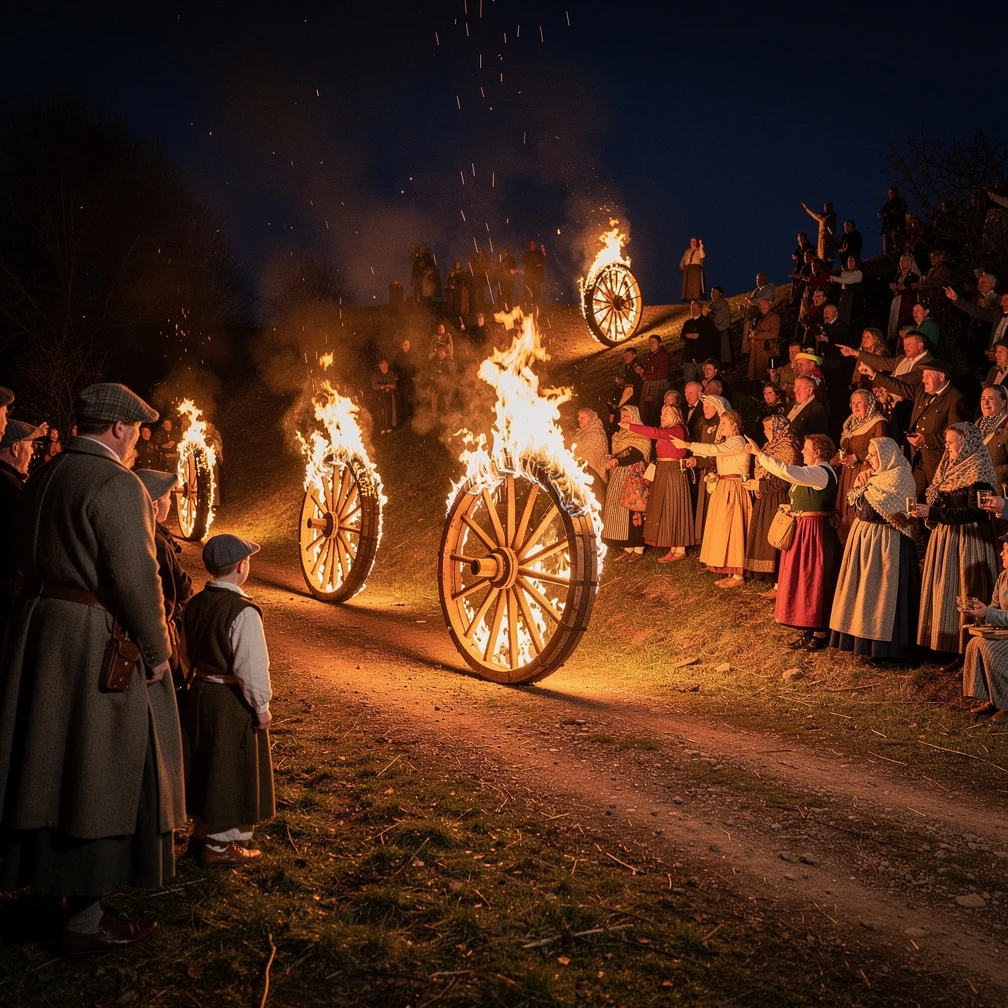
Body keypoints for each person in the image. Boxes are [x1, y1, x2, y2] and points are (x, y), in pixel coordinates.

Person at [0, 383, 183, 952]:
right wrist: (157, 652)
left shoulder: (49, 473)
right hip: (89, 640)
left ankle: (46, 888)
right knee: (92, 768)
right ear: (120, 429)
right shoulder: (117, 484)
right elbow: (135, 577)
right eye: (135, 435)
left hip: (40, 629)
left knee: (46, 763)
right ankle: (84, 916)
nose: (136, 448)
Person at [182, 533, 274, 866]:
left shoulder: (193, 603)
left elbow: (184, 649)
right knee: (228, 771)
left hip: (201, 694)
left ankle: (201, 834)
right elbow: (250, 666)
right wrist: (260, 706)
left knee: (205, 766)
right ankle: (219, 848)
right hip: (230, 701)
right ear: (241, 566)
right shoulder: (243, 611)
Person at [910, 423, 999, 671]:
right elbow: (940, 499)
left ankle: (970, 650)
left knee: (967, 587)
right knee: (948, 589)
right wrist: (931, 509)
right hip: (947, 537)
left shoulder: (977, 469)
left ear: (965, 442)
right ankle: (953, 649)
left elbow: (975, 511)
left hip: (969, 539)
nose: (946, 446)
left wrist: (935, 512)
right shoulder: (948, 468)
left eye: (950, 442)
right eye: (946, 442)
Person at [829, 437, 920, 661]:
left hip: (887, 545)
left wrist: (862, 488)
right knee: (862, 591)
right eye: (868, 454)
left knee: (882, 595)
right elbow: (858, 506)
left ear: (886, 455)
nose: (868, 459)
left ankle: (886, 649)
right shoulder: (876, 477)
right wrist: (862, 488)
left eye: (872, 454)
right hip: (866, 540)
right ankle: (861, 642)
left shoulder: (899, 477)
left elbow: (868, 510)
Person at [747, 432, 840, 650]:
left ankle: (820, 633)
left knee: (814, 577)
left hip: (815, 532)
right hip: (803, 529)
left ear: (817, 452)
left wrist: (760, 454)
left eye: (806, 448)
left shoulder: (820, 472)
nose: (802, 452)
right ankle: (807, 627)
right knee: (802, 578)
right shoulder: (813, 472)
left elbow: (788, 471)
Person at [672, 409, 750, 587]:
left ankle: (738, 576)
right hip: (724, 486)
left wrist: (688, 445)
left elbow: (714, 449)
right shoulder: (728, 442)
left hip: (734, 488)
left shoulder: (737, 441)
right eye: (720, 423)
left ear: (734, 425)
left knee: (734, 528)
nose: (721, 427)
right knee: (723, 528)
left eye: (724, 424)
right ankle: (730, 570)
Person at [871, 358, 967, 498]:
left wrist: (926, 440)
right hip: (917, 459)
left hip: (936, 463)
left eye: (927, 376)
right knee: (912, 500)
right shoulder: (922, 390)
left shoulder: (955, 399)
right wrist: (874, 374)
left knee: (935, 501)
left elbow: (956, 436)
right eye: (923, 377)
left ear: (941, 376)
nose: (923, 380)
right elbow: (898, 386)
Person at [136, 470, 193, 699]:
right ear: (156, 503)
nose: (171, 502)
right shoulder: (157, 542)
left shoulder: (143, 531)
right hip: (159, 630)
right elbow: (173, 592)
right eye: (169, 497)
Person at [624, 404, 695, 561]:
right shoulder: (668, 430)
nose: (662, 416)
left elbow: (654, 432)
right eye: (662, 413)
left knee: (675, 506)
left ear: (676, 416)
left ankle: (680, 549)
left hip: (673, 471)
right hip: (663, 469)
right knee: (666, 507)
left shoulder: (678, 430)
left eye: (667, 413)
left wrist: (630, 426)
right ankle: (673, 547)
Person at [743, 414, 799, 597]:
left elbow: (783, 481)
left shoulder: (787, 447)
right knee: (766, 537)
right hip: (767, 497)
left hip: (778, 498)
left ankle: (780, 584)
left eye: (768, 428)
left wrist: (759, 485)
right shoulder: (770, 446)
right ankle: (774, 583)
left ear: (777, 429)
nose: (765, 432)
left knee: (777, 537)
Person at [0, 420, 42, 637]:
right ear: (16, 448)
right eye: (30, 446)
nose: (33, 453)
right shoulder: (11, 489)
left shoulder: (11, 482)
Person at [961, 535, 1008, 722]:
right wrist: (980, 614)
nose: (1001, 553)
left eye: (1006, 550)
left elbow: (993, 612)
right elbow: (995, 607)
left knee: (992, 649)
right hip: (1004, 631)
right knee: (975, 643)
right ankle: (993, 698)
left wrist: (988, 613)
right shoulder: (1003, 576)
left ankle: (1006, 704)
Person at [834, 390, 889, 542]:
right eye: (853, 403)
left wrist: (856, 457)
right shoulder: (850, 424)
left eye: (860, 402)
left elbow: (882, 450)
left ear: (869, 404)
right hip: (848, 474)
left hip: (865, 472)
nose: (855, 406)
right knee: (846, 513)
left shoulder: (878, 422)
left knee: (858, 512)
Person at [601, 405, 650, 559]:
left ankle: (638, 547)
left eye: (628, 416)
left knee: (633, 508)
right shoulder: (620, 434)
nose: (625, 420)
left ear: (634, 417)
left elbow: (636, 455)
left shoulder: (640, 433)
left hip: (633, 475)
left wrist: (617, 460)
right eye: (623, 417)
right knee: (618, 508)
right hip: (618, 474)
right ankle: (628, 547)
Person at [686, 394, 727, 542]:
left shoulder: (721, 425)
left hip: (716, 471)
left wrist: (700, 461)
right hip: (704, 469)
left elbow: (715, 451)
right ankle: (704, 540)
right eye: (703, 406)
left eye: (708, 406)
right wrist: (694, 458)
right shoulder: (702, 422)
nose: (705, 409)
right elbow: (699, 444)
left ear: (716, 407)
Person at [635, 335, 671, 426]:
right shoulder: (650, 354)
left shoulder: (663, 355)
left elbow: (662, 373)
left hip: (658, 385)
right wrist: (641, 370)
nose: (651, 345)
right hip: (649, 384)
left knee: (655, 409)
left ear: (660, 343)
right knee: (646, 408)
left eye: (653, 342)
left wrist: (645, 373)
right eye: (649, 342)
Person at [977, 385, 1008, 491]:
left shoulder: (1006, 426)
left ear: (1003, 403)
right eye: (983, 399)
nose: (985, 403)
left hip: (1000, 489)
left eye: (991, 399)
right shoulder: (977, 425)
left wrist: (992, 471)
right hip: (978, 486)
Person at [680, 301, 719, 383]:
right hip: (689, 357)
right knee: (690, 382)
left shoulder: (707, 322)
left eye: (695, 308)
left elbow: (711, 336)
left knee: (704, 380)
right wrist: (688, 335)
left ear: (700, 309)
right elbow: (682, 336)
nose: (693, 310)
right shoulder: (688, 323)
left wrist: (699, 336)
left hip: (702, 356)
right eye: (691, 308)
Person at [887, 254, 922, 341]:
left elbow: (914, 287)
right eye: (901, 261)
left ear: (909, 262)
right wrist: (895, 288)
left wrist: (903, 287)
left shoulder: (913, 274)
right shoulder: (898, 275)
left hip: (907, 302)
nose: (902, 263)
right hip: (898, 301)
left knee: (904, 321)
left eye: (904, 260)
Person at [573, 408, 609, 491]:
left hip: (594, 477)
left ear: (591, 418)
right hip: (586, 475)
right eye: (579, 417)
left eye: (583, 417)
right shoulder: (583, 432)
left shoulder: (595, 433)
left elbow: (585, 454)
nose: (579, 419)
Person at [786, 376, 830, 443]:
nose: (795, 390)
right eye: (795, 387)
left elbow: (814, 439)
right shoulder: (791, 405)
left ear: (809, 390)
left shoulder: (818, 410)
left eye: (799, 387)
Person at [748, 297, 781, 382]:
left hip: (768, 351)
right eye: (760, 305)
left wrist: (756, 335)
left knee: (766, 376)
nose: (761, 307)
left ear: (770, 305)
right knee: (758, 376)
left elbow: (774, 333)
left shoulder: (774, 317)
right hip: (758, 351)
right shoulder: (761, 317)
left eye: (763, 305)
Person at [829, 255, 863, 329]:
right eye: (848, 261)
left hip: (853, 300)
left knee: (850, 318)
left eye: (852, 261)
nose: (850, 263)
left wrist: (834, 278)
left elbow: (848, 280)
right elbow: (843, 281)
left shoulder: (858, 273)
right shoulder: (845, 273)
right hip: (844, 298)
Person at [371, 359, 398, 434]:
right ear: (380, 366)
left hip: (388, 394)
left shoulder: (390, 373)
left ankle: (388, 427)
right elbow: (374, 386)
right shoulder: (376, 374)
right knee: (381, 411)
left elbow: (394, 385)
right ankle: (382, 428)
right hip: (379, 394)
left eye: (387, 364)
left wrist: (387, 386)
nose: (386, 366)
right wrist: (382, 386)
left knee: (388, 410)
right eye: (384, 365)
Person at [707, 286, 733, 365]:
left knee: (723, 356)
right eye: (712, 292)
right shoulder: (713, 305)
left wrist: (712, 318)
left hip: (722, 331)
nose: (713, 294)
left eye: (715, 293)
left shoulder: (722, 304)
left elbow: (718, 319)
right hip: (716, 331)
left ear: (720, 294)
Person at [879, 187, 907, 256]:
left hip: (896, 227)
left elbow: (900, 211)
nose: (890, 194)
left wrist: (888, 213)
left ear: (896, 193)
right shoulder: (887, 204)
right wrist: (882, 214)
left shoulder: (900, 201)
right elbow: (883, 214)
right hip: (886, 228)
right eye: (889, 193)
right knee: (887, 249)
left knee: (897, 247)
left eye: (891, 193)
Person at [522, 240, 547, 304]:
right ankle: (528, 307)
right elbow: (523, 260)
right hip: (529, 277)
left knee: (536, 293)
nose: (532, 245)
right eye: (531, 243)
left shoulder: (539, 253)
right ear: (529, 245)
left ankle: (536, 307)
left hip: (537, 277)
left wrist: (543, 251)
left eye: (533, 243)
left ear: (535, 244)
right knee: (528, 292)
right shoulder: (527, 253)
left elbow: (545, 260)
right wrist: (534, 264)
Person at [790, 236, 813, 305]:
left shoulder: (809, 247)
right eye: (799, 240)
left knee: (800, 285)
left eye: (802, 239)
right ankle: (792, 301)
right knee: (795, 284)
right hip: (799, 267)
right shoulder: (798, 248)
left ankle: (796, 302)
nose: (800, 241)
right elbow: (795, 255)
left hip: (806, 269)